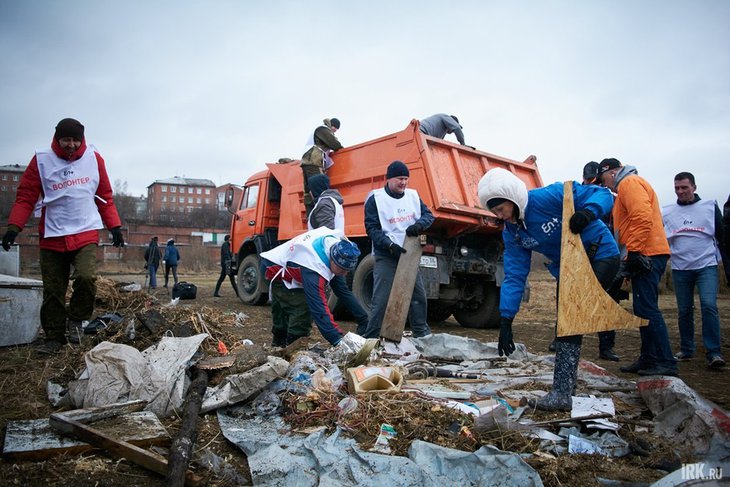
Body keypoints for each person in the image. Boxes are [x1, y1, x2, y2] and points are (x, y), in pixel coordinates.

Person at [477, 167, 620, 411]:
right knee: (567, 321)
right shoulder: (513, 232)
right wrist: (505, 318)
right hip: (571, 266)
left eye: (501, 209)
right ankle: (563, 391)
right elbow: (514, 274)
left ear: (513, 199)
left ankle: (562, 393)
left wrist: (587, 212)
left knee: (571, 318)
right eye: (494, 212)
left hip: (600, 254)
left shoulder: (548, 197)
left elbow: (603, 194)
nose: (499, 216)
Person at [1, 118, 124, 353]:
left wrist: (114, 226)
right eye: (66, 139)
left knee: (87, 277)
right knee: (53, 289)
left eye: (75, 140)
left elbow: (105, 196)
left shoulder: (93, 159)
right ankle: (54, 337)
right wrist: (13, 227)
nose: (71, 144)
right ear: (57, 139)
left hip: (85, 231)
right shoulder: (41, 161)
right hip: (52, 234)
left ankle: (77, 320)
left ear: (82, 139)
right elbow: (26, 196)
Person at [597, 158, 678, 377]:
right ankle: (649, 359)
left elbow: (641, 217)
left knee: (647, 309)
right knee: (642, 307)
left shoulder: (629, 183)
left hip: (647, 253)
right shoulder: (629, 184)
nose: (603, 184)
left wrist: (633, 252)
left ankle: (665, 362)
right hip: (647, 250)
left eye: (603, 178)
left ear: (611, 172)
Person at [362, 160, 434, 339]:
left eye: (406, 179)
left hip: (409, 254)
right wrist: (388, 245)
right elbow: (371, 228)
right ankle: (371, 337)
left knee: (418, 296)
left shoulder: (413, 196)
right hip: (386, 254)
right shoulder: (376, 199)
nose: (403, 183)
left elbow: (428, 216)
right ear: (389, 179)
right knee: (381, 299)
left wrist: (418, 225)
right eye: (399, 179)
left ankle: (421, 334)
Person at [662, 172, 726, 368]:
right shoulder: (667, 211)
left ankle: (714, 352)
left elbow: (722, 235)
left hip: (706, 265)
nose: (680, 191)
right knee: (684, 310)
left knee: (708, 305)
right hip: (681, 267)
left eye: (684, 188)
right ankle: (687, 348)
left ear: (694, 187)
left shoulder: (709, 207)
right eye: (677, 188)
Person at [260, 227, 360, 346]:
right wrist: (337, 339)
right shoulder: (314, 268)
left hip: (287, 263)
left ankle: (278, 344)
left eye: (348, 270)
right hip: (273, 268)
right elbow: (319, 309)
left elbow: (342, 291)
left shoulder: (338, 244)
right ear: (332, 260)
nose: (345, 274)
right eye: (342, 269)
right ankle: (294, 347)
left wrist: (363, 318)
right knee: (302, 307)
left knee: (284, 306)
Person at [307, 174, 370, 334]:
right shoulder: (334, 202)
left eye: (310, 188)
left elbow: (326, 231)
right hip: (334, 254)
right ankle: (363, 319)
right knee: (341, 289)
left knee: (322, 290)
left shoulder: (324, 203)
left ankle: (362, 320)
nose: (309, 192)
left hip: (325, 255)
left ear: (315, 189)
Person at [301, 117, 343, 214]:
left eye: (337, 129)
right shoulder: (322, 129)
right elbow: (335, 144)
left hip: (307, 162)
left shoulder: (320, 131)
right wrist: (341, 149)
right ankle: (322, 214)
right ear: (330, 124)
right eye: (335, 127)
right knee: (320, 190)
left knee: (308, 193)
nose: (335, 130)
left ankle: (310, 216)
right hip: (313, 162)